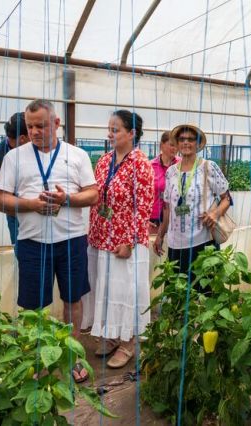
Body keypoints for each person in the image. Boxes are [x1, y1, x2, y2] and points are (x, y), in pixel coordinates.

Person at [0, 99, 98, 382]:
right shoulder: (14, 157)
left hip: (72, 240)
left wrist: (67, 199)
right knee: (33, 305)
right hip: (32, 242)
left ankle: (73, 354)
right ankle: (37, 358)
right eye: (31, 126)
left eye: (41, 125)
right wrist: (31, 205)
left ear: (56, 123)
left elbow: (93, 194)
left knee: (72, 299)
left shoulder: (76, 155)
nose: (35, 131)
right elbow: (0, 198)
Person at [83, 109, 154, 369]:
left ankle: (130, 343)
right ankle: (113, 335)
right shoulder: (104, 161)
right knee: (107, 288)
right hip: (102, 236)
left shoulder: (140, 164)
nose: (110, 134)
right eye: (109, 129)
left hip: (125, 240)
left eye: (116, 130)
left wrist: (131, 240)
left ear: (131, 133)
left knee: (127, 292)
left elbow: (143, 206)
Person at [153, 124, 231, 290]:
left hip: (202, 243)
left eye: (190, 139)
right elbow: (167, 208)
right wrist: (160, 235)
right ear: (177, 143)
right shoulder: (171, 172)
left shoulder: (208, 167)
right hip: (175, 244)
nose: (186, 143)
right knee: (177, 295)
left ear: (197, 143)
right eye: (182, 139)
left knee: (205, 293)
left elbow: (226, 199)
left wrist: (215, 214)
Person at [0, 112, 30, 244]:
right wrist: (14, 212)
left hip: (44, 212)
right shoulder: (2, 157)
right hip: (20, 217)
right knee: (25, 255)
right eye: (33, 129)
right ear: (22, 138)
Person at [149, 131, 179, 235]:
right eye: (171, 145)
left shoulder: (181, 165)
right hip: (154, 219)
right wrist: (143, 218)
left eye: (176, 145)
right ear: (161, 145)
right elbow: (141, 194)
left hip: (176, 218)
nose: (174, 148)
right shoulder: (150, 166)